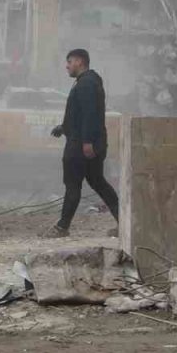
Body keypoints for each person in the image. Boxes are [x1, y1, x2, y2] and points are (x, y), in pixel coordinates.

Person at [45, 48, 119, 237]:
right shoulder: (88, 82)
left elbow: (89, 115)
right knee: (98, 182)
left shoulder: (86, 84)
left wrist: (87, 142)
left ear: (79, 62)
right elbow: (80, 113)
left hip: (81, 146)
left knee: (73, 184)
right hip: (88, 142)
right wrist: (64, 127)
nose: (67, 66)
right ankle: (124, 222)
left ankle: (62, 227)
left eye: (69, 62)